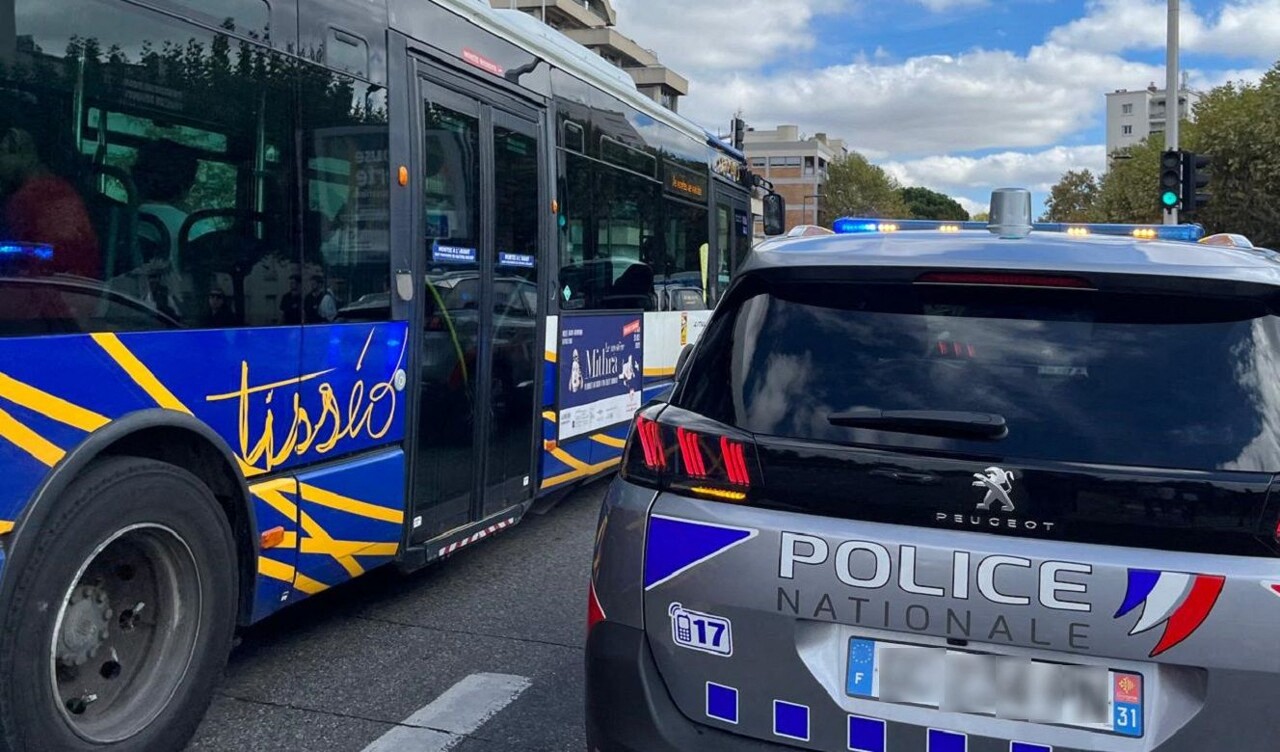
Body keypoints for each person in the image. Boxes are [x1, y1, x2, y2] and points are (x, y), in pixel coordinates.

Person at [0, 127, 100, 278]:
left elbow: (56, 255)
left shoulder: (44, 198)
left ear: (16, 143)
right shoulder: (59, 192)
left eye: (1, 152)